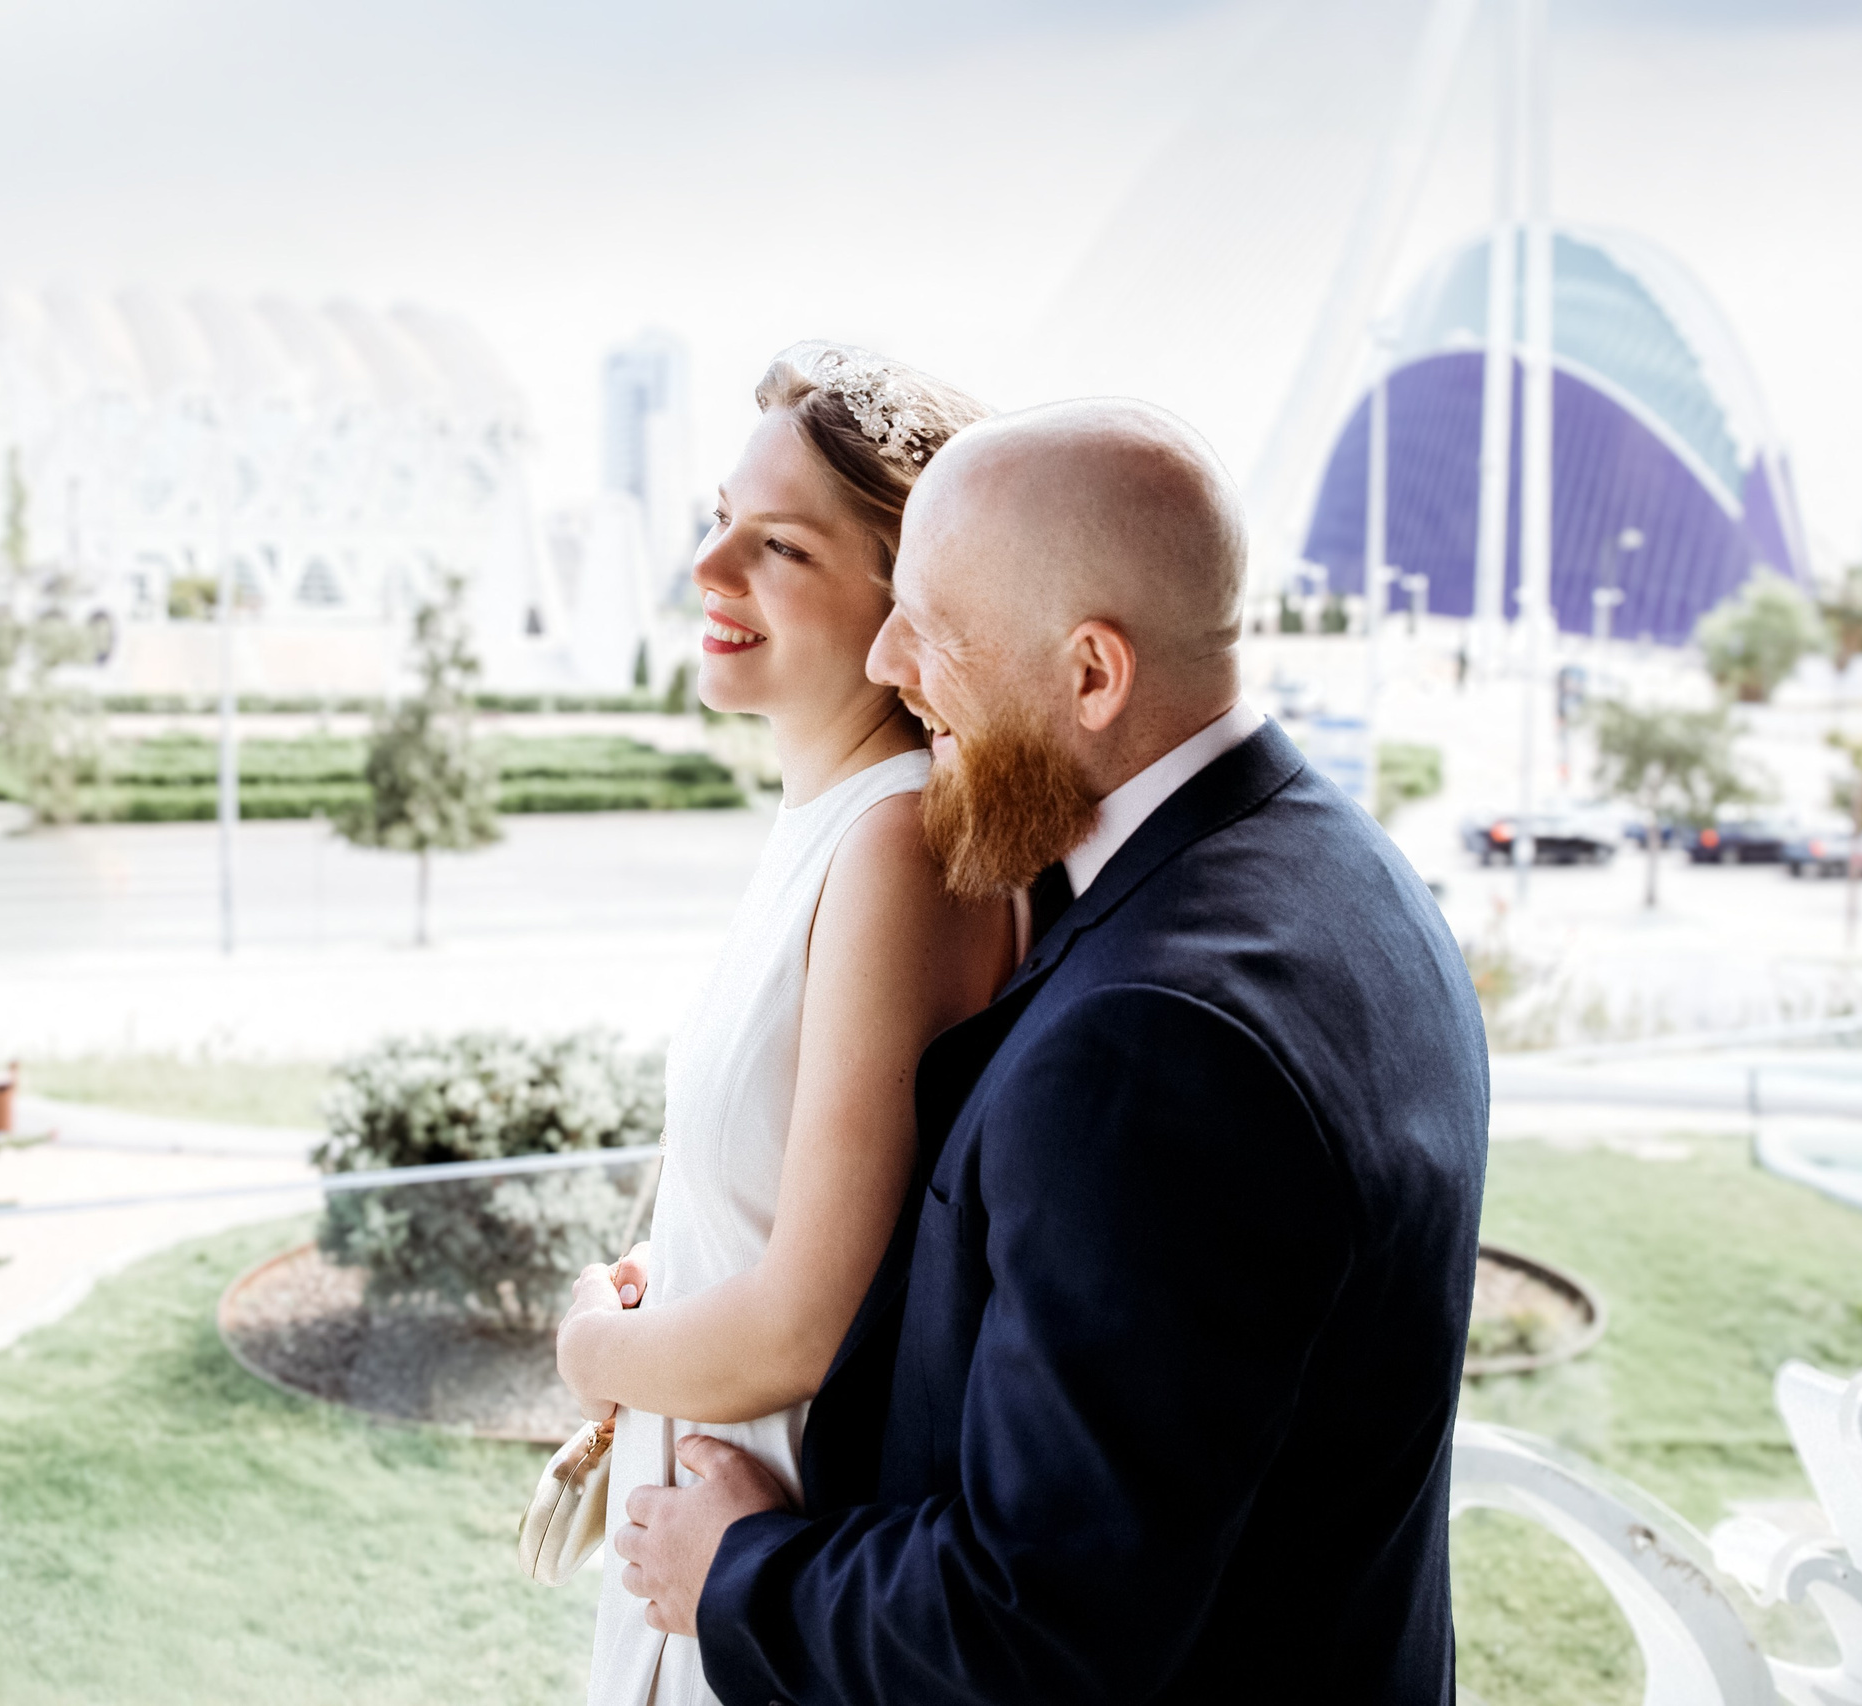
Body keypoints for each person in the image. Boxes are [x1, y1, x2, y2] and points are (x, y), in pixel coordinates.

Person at [610, 399, 1492, 1703]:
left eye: (938, 627)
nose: (894, 662)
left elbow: (1040, 1622)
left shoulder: (1154, 1043)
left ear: (1093, 673)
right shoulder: (1351, 876)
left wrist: (738, 1566)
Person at [557, 342, 1014, 1706]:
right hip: (699, 1524)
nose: (709, 572)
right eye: (716, 523)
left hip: (769, 1551)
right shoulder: (829, 822)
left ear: (902, 608)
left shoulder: (896, 848)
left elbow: (808, 1320)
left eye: (780, 549)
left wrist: (590, 1348)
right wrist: (670, 1267)